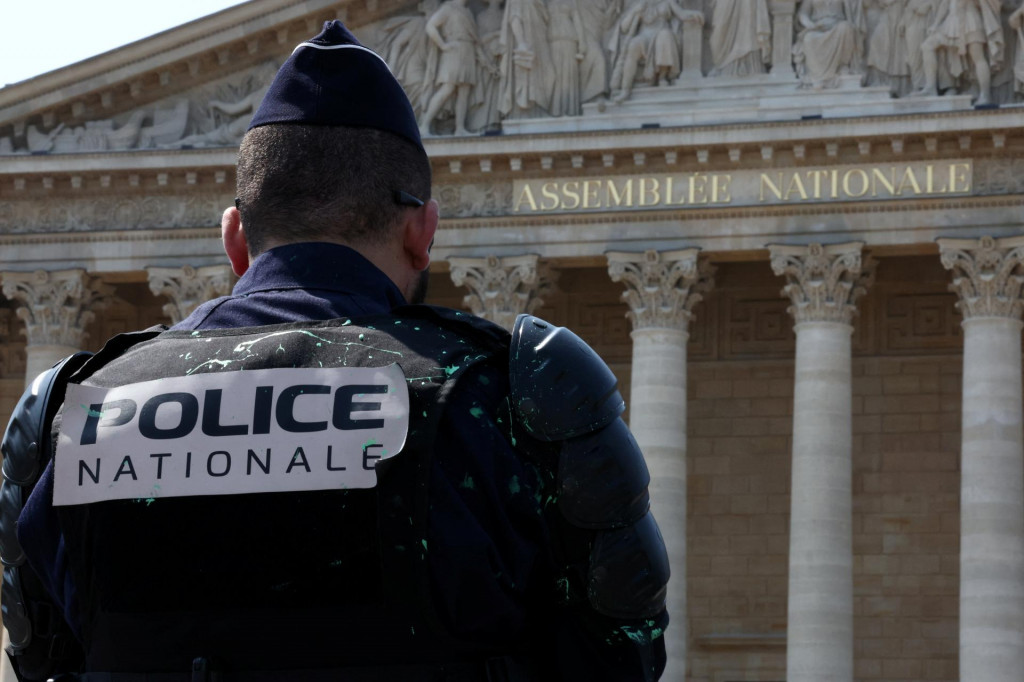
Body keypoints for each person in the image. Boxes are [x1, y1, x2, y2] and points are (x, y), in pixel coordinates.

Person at [1, 20, 669, 682]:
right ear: (422, 232)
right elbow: (618, 655)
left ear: (235, 238)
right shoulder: (505, 403)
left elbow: (41, 656)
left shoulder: (75, 415)